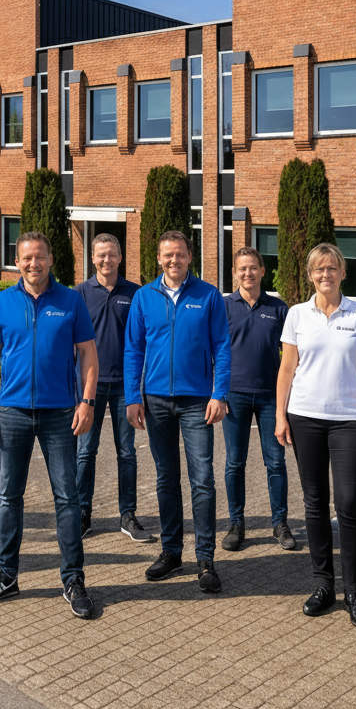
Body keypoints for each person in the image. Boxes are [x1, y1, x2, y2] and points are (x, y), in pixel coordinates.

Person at [0, 232, 99, 619]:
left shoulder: (70, 301)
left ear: (51, 259)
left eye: (39, 257)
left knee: (67, 498)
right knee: (9, 496)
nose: (33, 264)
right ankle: (6, 575)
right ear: (17, 261)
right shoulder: (2, 302)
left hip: (60, 412)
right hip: (12, 412)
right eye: (26, 258)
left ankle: (73, 579)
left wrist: (87, 401)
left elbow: (88, 354)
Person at [275, 242, 356, 630]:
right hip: (304, 417)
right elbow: (287, 369)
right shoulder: (296, 315)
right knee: (315, 502)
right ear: (310, 276)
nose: (326, 274)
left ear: (342, 272)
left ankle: (353, 592)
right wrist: (280, 416)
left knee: (348, 503)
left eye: (332, 268)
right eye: (319, 269)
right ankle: (324, 585)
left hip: (349, 420)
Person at [125, 230, 231, 593]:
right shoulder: (144, 297)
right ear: (158, 258)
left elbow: (222, 346)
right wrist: (132, 397)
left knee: (202, 479)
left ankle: (206, 558)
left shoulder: (208, 295)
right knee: (166, 478)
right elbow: (133, 350)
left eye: (180, 254)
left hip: (197, 401)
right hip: (155, 401)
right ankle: (171, 552)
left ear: (190, 257)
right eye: (168, 254)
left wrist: (219, 393)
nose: (174, 260)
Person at [74, 232, 153, 542]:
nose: (107, 260)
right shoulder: (80, 293)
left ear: (121, 257)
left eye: (112, 254)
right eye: (101, 255)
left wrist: (139, 387)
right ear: (93, 258)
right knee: (85, 451)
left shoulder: (135, 293)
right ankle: (82, 513)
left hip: (125, 386)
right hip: (89, 387)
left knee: (127, 452)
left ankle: (127, 514)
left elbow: (143, 341)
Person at [221, 246, 294, 552]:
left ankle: (280, 523)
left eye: (253, 267)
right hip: (233, 395)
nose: (247, 273)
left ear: (263, 271)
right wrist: (217, 393)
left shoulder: (279, 309)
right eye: (242, 268)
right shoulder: (223, 307)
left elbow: (291, 356)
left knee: (275, 462)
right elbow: (213, 351)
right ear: (234, 273)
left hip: (270, 397)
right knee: (234, 463)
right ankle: (236, 524)